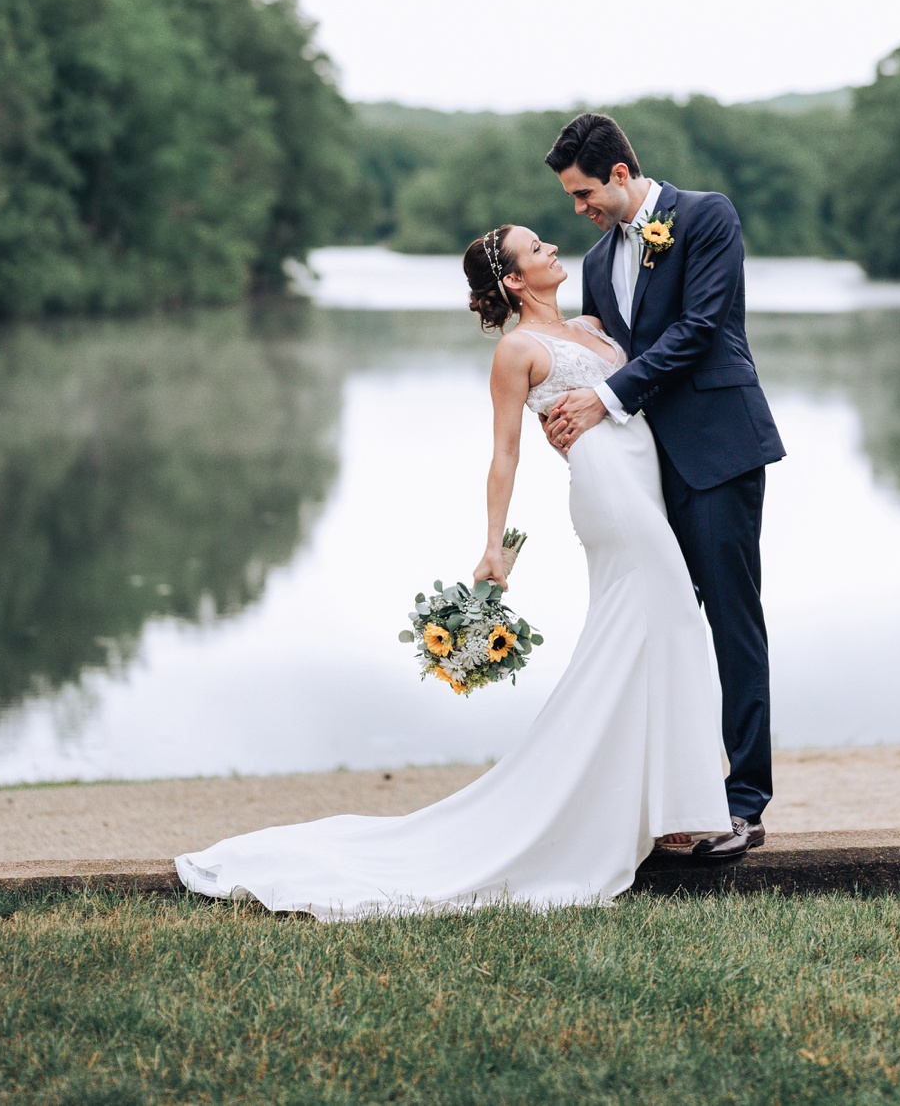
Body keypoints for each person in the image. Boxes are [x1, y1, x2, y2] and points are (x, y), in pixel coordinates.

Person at [175, 216, 732, 919]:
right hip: (609, 493)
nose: (553, 248)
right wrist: (493, 545)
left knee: (656, 630)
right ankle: (665, 807)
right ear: (514, 279)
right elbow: (505, 453)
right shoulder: (517, 351)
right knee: (670, 618)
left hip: (645, 480)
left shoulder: (595, 324)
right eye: (537, 248)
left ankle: (663, 806)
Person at [542, 113, 785, 860]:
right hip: (643, 468)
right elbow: (612, 353)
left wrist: (603, 399)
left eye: (583, 192)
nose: (578, 208)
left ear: (619, 174)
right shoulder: (594, 262)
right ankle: (666, 800)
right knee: (658, 625)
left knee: (731, 621)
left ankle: (743, 803)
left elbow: (700, 328)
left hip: (717, 449)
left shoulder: (707, 216)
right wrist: (564, 400)